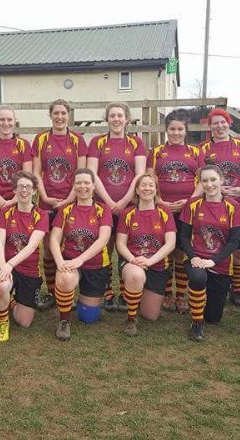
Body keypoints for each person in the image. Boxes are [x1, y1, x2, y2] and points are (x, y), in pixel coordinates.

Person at [87, 102, 146, 312]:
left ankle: (124, 292)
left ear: (127, 119)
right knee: (105, 248)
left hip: (129, 205)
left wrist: (124, 200)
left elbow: (140, 174)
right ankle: (107, 292)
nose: (116, 119)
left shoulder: (136, 142)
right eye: (112, 115)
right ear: (107, 119)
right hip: (103, 205)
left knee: (126, 248)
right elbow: (92, 174)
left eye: (120, 115)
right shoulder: (97, 142)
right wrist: (110, 202)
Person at [178, 165, 240, 341]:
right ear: (200, 183)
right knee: (198, 278)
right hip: (196, 259)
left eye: (213, 179)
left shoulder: (233, 206)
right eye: (205, 180)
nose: (209, 184)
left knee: (214, 318)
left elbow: (234, 241)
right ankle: (197, 322)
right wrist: (193, 257)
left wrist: (214, 261)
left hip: (220, 264)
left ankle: (205, 302)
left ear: (221, 180)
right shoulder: (193, 204)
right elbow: (184, 236)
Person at [31, 99, 88, 311]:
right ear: (50, 115)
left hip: (71, 201)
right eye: (56, 113)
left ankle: (68, 290)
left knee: (70, 245)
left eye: (63, 113)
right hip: (47, 201)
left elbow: (81, 173)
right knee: (48, 248)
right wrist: (44, 196)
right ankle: (53, 292)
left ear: (69, 115)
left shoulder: (78, 139)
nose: (60, 117)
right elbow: (37, 171)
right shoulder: (41, 138)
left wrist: (70, 198)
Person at [199, 108, 240, 308]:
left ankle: (237, 289)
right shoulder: (204, 147)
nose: (220, 126)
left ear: (229, 123)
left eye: (223, 122)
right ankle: (215, 285)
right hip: (214, 205)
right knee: (214, 246)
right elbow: (201, 175)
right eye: (215, 123)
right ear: (210, 126)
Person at [49, 168, 113, 341]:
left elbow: (103, 239)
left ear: (93, 186)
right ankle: (64, 321)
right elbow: (54, 239)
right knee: (65, 278)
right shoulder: (65, 210)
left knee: (88, 318)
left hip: (96, 265)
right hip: (70, 262)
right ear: (73, 186)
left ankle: (80, 300)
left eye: (86, 183)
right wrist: (60, 261)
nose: (82, 186)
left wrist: (81, 259)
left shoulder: (103, 209)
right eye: (78, 182)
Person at [149, 109, 202, 314]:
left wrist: (190, 201)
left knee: (181, 252)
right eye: (172, 129)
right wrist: (159, 200)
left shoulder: (195, 152)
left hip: (187, 211)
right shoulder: (156, 152)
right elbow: (150, 178)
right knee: (166, 252)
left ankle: (181, 295)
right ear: (166, 130)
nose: (176, 133)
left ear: (185, 131)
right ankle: (166, 293)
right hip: (162, 210)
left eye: (180, 129)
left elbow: (202, 179)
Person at [115, 171, 176, 336]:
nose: (147, 188)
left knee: (150, 316)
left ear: (156, 190)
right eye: (143, 185)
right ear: (136, 190)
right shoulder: (128, 213)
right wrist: (133, 260)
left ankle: (137, 294)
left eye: (151, 185)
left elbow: (170, 243)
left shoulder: (164, 212)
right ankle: (131, 318)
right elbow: (120, 244)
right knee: (136, 275)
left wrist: (150, 261)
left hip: (156, 265)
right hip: (132, 262)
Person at [0, 171, 49, 342]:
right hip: (7, 266)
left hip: (29, 270)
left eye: (28, 187)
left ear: (34, 191)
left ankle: (10, 302)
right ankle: (3, 321)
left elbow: (31, 246)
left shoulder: (41, 215)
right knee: (1, 285)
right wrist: (3, 267)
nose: (24, 190)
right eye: (20, 187)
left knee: (24, 322)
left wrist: (10, 264)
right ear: (15, 191)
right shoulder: (6, 213)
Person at [0, 105, 33, 222]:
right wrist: (1, 201)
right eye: (2, 119)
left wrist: (13, 200)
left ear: (15, 122)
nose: (6, 123)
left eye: (9, 119)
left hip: (20, 200)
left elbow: (27, 176)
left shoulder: (24, 145)